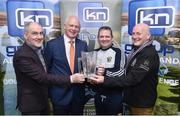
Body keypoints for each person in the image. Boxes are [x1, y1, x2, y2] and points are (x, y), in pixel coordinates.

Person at [13, 22, 85, 115]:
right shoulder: (22, 55)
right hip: (32, 105)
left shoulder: (39, 51)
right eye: (34, 33)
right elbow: (43, 77)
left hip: (44, 101)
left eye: (41, 33)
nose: (39, 37)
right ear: (26, 36)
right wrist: (71, 78)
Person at [91, 23, 160, 115]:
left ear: (148, 36)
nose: (135, 36)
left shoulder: (148, 54)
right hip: (129, 99)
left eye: (138, 33)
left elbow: (131, 77)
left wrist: (104, 75)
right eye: (134, 33)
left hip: (141, 103)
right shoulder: (137, 50)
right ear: (98, 38)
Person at [44, 16, 88, 115]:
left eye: (76, 27)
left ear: (79, 29)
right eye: (71, 25)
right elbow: (47, 71)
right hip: (59, 95)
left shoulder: (83, 45)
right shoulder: (52, 45)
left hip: (78, 96)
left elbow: (85, 67)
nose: (73, 29)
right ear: (65, 26)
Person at [93, 26, 126, 115]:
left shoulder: (119, 52)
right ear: (98, 38)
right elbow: (91, 73)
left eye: (107, 36)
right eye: (101, 36)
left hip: (114, 96)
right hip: (99, 95)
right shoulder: (94, 53)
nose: (104, 39)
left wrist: (105, 72)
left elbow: (121, 72)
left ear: (111, 38)